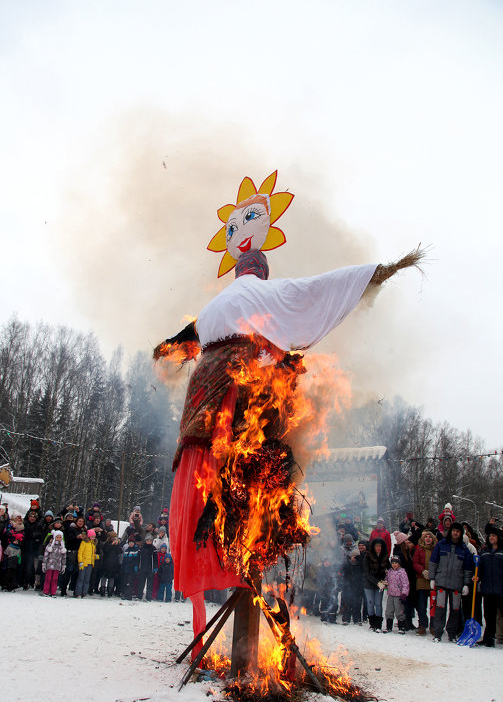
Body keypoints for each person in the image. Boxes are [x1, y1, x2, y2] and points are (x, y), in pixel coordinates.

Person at [154, 170, 423, 651]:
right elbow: (316, 291)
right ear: (259, 272)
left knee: (211, 485)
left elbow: (182, 341)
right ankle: (244, 544)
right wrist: (374, 274)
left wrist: (167, 349)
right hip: (237, 396)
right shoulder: (263, 293)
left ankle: (216, 568)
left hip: (200, 401)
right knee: (262, 455)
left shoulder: (215, 307)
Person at [429, 522, 474, 643]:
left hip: (456, 584)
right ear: (450, 531)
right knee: (440, 608)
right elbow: (433, 562)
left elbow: (468, 569)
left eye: (458, 531)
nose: (455, 533)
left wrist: (466, 584)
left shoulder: (464, 550)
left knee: (455, 610)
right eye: (454, 530)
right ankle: (438, 633)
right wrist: (432, 578)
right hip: (442, 582)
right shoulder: (441, 545)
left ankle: (452, 633)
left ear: (460, 534)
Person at [477, 528, 503, 647]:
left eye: (494, 535)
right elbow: (480, 568)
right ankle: (489, 638)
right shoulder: (485, 552)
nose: (492, 538)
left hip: (501, 589)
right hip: (488, 588)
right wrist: (477, 576)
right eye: (490, 536)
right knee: (489, 615)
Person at [412, 529, 437, 635]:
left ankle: (433, 626)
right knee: (421, 605)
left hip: (433, 581)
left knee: (433, 605)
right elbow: (415, 563)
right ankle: (423, 624)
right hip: (421, 580)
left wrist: (434, 574)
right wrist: (422, 571)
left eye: (430, 537)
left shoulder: (436, 549)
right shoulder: (419, 549)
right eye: (426, 537)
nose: (428, 539)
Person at [362, 538, 390, 631]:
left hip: (380, 583)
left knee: (378, 603)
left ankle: (378, 624)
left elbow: (389, 570)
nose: (378, 548)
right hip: (369, 583)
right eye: (377, 546)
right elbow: (366, 573)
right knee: (370, 603)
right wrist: (376, 582)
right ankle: (372, 623)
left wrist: (386, 580)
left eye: (380, 546)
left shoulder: (385, 557)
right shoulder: (367, 556)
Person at [384, 555, 409, 633]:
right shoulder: (389, 572)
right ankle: (388, 626)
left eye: (396, 563)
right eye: (393, 563)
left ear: (399, 564)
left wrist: (404, 593)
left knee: (399, 611)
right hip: (391, 594)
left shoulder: (402, 572)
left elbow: (405, 583)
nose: (394, 565)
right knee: (389, 610)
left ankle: (401, 626)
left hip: (398, 595)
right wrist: (384, 584)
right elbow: (386, 580)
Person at [1, 514, 24, 591]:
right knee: (6, 574)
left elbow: (19, 557)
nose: (16, 542)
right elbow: (5, 555)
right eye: (15, 540)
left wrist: (19, 562)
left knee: (13, 575)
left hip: (14, 563)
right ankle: (5, 585)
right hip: (8, 563)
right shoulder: (9, 547)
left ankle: (11, 585)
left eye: (17, 541)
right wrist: (5, 562)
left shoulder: (19, 549)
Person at [42, 530, 67, 596]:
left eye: (60, 537)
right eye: (57, 537)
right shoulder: (50, 546)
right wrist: (44, 564)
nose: (58, 539)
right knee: (48, 578)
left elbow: (64, 557)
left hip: (57, 565)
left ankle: (53, 592)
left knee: (55, 579)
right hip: (49, 565)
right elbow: (46, 555)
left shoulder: (62, 547)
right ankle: (46, 591)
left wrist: (63, 565)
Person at [75, 528, 97, 598]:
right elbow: (80, 553)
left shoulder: (93, 545)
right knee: (81, 578)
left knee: (87, 579)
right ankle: (78, 593)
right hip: (84, 563)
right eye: (92, 536)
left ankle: (84, 593)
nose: (93, 538)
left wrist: (96, 557)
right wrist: (80, 562)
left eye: (94, 537)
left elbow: (92, 554)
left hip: (90, 563)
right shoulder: (84, 543)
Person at [99, 532, 122, 597]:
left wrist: (117, 545)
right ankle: (102, 589)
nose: (113, 538)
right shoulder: (107, 544)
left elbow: (120, 551)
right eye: (112, 537)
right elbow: (105, 550)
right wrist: (111, 544)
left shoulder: (117, 545)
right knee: (104, 577)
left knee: (112, 577)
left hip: (114, 564)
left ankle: (110, 590)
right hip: (106, 563)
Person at [137, 534, 156, 601]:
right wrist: (137, 566)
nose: (149, 541)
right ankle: (139, 596)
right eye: (148, 540)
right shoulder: (142, 548)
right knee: (141, 583)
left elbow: (155, 559)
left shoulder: (153, 549)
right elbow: (138, 558)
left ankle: (148, 597)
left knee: (149, 584)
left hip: (150, 568)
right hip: (142, 567)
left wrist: (155, 567)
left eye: (150, 540)